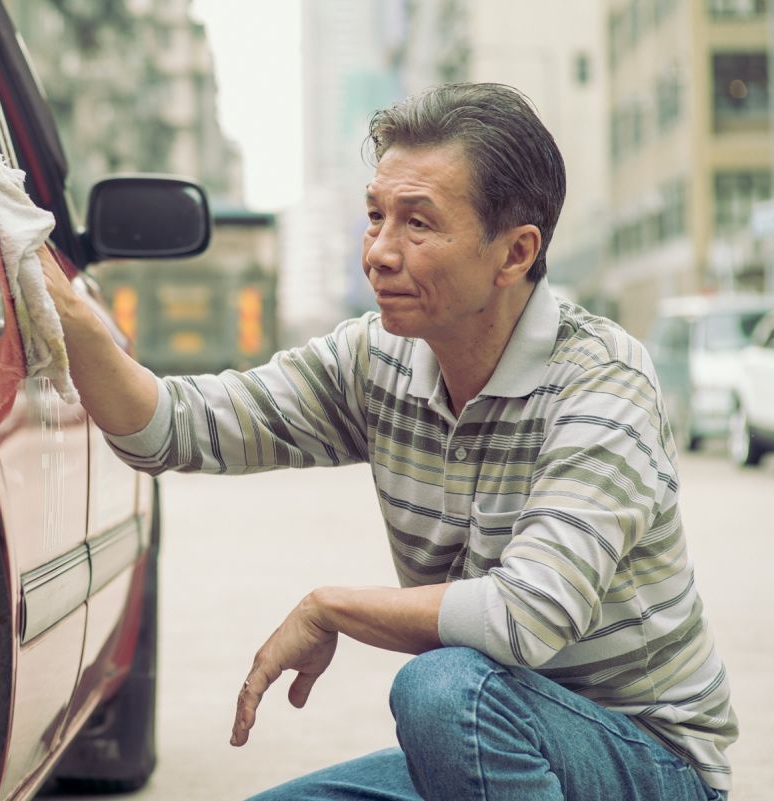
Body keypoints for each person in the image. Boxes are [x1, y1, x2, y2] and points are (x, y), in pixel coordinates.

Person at [39, 82, 736, 800]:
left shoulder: (602, 383)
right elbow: (177, 428)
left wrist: (330, 605)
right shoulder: (374, 362)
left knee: (443, 688)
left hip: (645, 762)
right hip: (482, 747)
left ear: (515, 252)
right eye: (375, 217)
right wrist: (72, 317)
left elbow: (525, 616)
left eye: (418, 224)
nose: (379, 252)